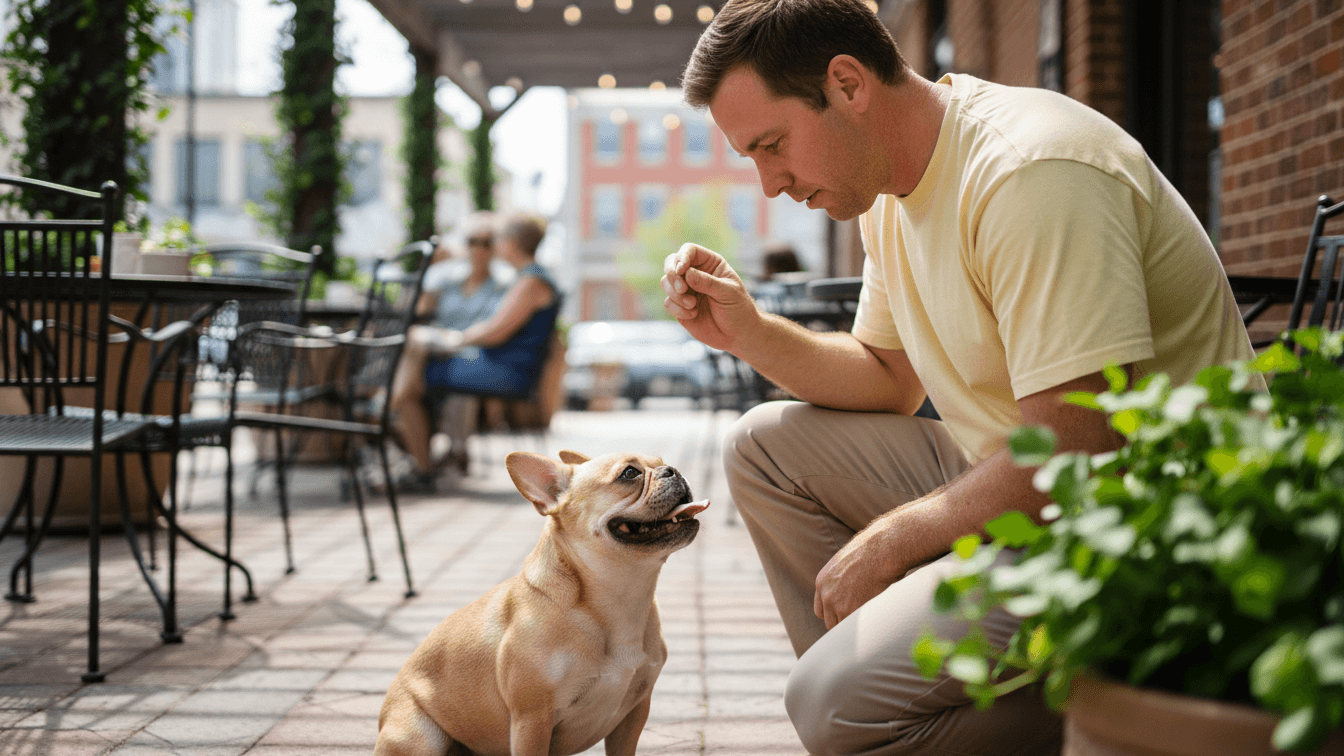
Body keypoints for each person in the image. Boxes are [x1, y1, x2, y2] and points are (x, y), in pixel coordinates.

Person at [660, 0, 1261, 754]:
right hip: (1028, 486)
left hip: (1140, 526)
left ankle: (1110, 707)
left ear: (848, 84)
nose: (770, 184)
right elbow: (886, 378)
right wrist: (746, 332)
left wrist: (898, 537)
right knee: (766, 445)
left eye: (772, 144)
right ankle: (913, 689)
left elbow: (1079, 442)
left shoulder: (1028, 173)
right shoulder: (886, 190)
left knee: (830, 708)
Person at [390, 212, 559, 493]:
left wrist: (452, 339)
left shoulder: (531, 281)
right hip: (498, 365)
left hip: (507, 372)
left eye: (498, 239)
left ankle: (421, 465)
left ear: (511, 243)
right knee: (414, 372)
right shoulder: (527, 278)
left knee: (411, 383)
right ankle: (424, 455)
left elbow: (496, 331)